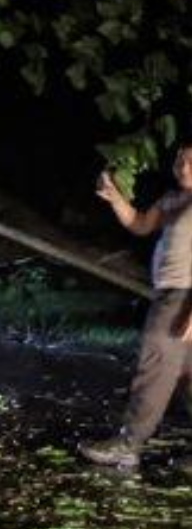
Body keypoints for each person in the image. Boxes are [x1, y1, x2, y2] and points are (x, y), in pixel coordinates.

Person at [81, 147, 192, 469]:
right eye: (179, 160)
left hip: (182, 298)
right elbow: (141, 224)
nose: (184, 166)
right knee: (187, 377)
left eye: (191, 161)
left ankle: (128, 444)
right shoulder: (172, 199)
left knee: (155, 366)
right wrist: (115, 197)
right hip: (167, 293)